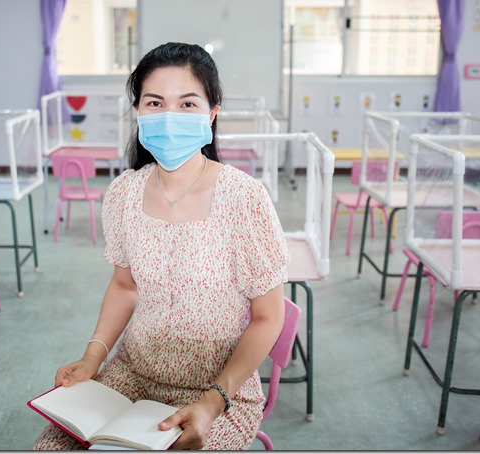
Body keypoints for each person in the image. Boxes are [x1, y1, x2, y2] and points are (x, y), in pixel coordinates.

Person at [32, 42, 290, 450]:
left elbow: (267, 317)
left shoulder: (243, 198)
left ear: (212, 112)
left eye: (187, 104)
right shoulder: (124, 193)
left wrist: (212, 401)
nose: (169, 117)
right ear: (138, 112)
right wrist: (92, 359)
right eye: (155, 102)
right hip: (132, 372)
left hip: (220, 387)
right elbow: (124, 286)